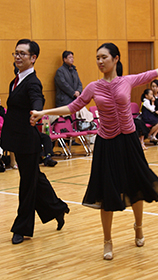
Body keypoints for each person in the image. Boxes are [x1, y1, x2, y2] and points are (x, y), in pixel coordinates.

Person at [30, 43, 158, 260]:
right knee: (106, 192)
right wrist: (44, 112)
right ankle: (107, 241)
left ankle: (138, 227)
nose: (99, 61)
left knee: (136, 186)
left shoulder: (128, 81)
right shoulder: (93, 87)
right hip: (106, 144)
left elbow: (155, 72)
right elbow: (72, 107)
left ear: (115, 59)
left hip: (129, 142)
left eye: (103, 57)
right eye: (97, 57)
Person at [1, 39, 70, 245]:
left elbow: (37, 99)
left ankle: (22, 228)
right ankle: (58, 208)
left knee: (28, 184)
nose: (18, 57)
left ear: (33, 58)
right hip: (17, 138)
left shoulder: (33, 82)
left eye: (22, 54)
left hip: (27, 142)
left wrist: (38, 112)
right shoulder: (16, 80)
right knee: (34, 179)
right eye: (16, 53)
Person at [55, 50, 83, 145]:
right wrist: (73, 93)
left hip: (73, 99)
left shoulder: (74, 70)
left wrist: (78, 91)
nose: (72, 59)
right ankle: (63, 140)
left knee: (73, 119)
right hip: (64, 100)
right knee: (65, 120)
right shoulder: (60, 71)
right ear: (64, 59)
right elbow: (63, 84)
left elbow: (79, 83)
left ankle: (72, 139)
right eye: (70, 57)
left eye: (73, 57)